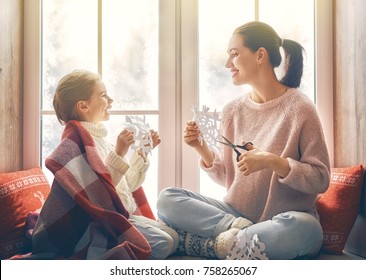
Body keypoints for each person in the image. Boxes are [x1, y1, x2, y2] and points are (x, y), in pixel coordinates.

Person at [157, 21, 330, 260]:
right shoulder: (232, 111)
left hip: (284, 220)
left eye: (234, 55)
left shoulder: (300, 108)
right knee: (168, 198)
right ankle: (235, 240)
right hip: (233, 215)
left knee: (307, 230)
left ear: (260, 55)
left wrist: (272, 161)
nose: (228, 64)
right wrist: (202, 148)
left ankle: (209, 244)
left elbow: (320, 179)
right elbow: (228, 177)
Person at [32, 70, 178, 260]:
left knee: (172, 237)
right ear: (83, 106)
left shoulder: (100, 140)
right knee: (164, 243)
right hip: (97, 224)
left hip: (120, 217)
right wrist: (118, 153)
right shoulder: (74, 144)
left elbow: (123, 188)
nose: (110, 100)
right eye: (103, 95)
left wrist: (142, 152)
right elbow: (99, 194)